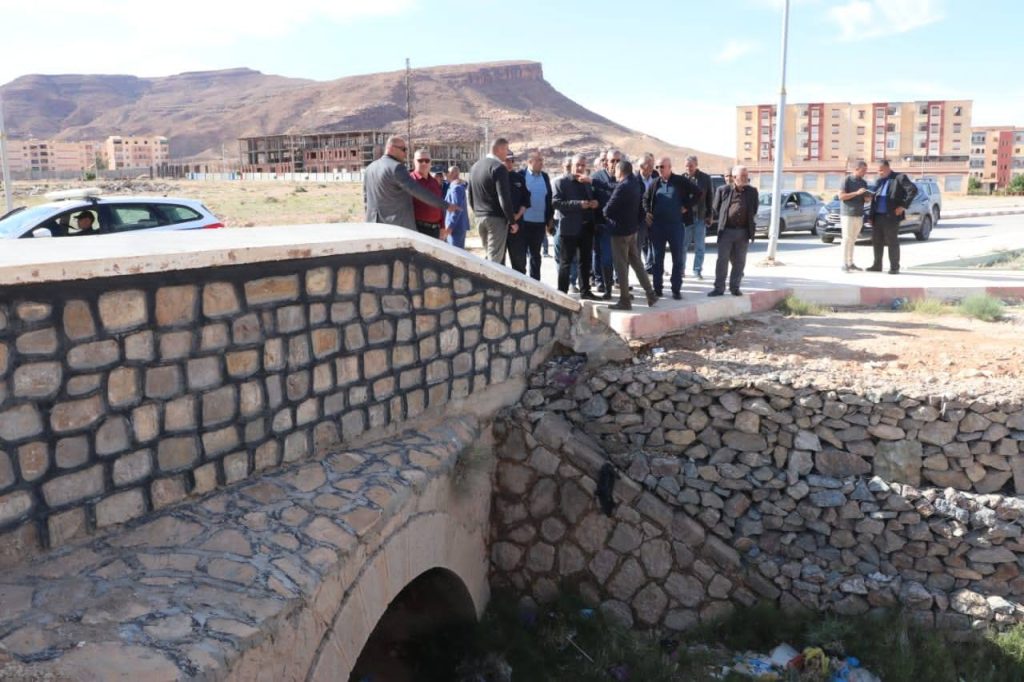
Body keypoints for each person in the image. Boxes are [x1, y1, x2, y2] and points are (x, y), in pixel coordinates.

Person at [363, 136, 457, 230]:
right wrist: (446, 205)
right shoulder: (396, 168)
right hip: (395, 226)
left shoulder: (370, 168)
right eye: (403, 149)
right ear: (391, 148)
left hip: (374, 225)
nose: (405, 153)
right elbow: (418, 191)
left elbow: (366, 199)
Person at [642, 157, 700, 300]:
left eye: (662, 166)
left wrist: (687, 206)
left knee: (677, 259)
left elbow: (698, 193)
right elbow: (645, 199)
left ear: (669, 167)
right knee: (657, 260)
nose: (659, 169)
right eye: (658, 167)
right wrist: (647, 212)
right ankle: (657, 289)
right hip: (658, 227)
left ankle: (676, 289)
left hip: (675, 227)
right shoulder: (655, 183)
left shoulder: (680, 181)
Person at [604, 160, 657, 310]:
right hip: (632, 231)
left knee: (621, 266)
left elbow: (607, 210)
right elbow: (640, 209)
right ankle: (650, 293)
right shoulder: (634, 183)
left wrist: (610, 219)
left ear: (620, 171)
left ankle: (625, 300)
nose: (614, 172)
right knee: (637, 263)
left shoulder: (622, 187)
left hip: (620, 233)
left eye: (615, 170)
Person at [553, 153, 599, 298]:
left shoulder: (587, 183)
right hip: (569, 229)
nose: (580, 168)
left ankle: (585, 291)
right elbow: (556, 203)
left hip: (586, 228)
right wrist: (578, 204)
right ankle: (562, 293)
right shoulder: (561, 182)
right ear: (571, 166)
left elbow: (592, 200)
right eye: (577, 165)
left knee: (585, 262)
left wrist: (594, 203)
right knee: (565, 262)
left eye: (582, 165)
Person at [709, 166, 758, 297]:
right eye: (743, 176)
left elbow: (754, 209)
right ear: (735, 177)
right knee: (722, 261)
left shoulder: (752, 192)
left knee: (740, 262)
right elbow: (715, 208)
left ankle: (735, 287)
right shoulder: (723, 190)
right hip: (726, 231)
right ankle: (719, 288)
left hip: (743, 232)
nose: (745, 178)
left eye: (746, 176)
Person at [468, 138, 519, 263]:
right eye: (506, 149)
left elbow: (470, 195)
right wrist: (512, 221)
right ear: (499, 149)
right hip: (496, 219)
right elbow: (504, 197)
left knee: (488, 255)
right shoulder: (499, 168)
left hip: (480, 217)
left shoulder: (475, 167)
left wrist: (477, 213)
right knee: (495, 260)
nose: (507, 153)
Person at [867, 159, 918, 274]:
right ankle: (877, 265)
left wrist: (903, 206)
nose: (879, 173)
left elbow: (913, 190)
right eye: (878, 171)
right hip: (877, 216)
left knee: (892, 241)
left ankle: (894, 267)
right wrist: (870, 216)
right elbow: (874, 199)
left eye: (881, 170)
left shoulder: (899, 178)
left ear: (887, 168)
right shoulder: (879, 181)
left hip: (891, 216)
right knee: (877, 241)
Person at [517, 151, 554, 281]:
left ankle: (535, 282)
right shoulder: (521, 175)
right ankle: (521, 282)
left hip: (539, 223)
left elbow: (549, 198)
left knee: (536, 256)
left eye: (542, 160)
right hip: (523, 222)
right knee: (521, 256)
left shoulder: (545, 176)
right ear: (530, 162)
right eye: (538, 160)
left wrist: (549, 219)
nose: (541, 163)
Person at [590, 149, 622, 299]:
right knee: (603, 256)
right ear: (606, 162)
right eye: (612, 161)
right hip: (602, 225)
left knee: (620, 258)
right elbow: (591, 198)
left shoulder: (624, 177)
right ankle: (602, 283)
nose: (615, 163)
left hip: (620, 226)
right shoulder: (596, 177)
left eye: (618, 161)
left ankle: (618, 282)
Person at [682, 155, 713, 280]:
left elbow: (710, 197)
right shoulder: (681, 178)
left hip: (700, 217)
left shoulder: (705, 178)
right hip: (685, 218)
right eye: (686, 166)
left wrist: (710, 215)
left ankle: (697, 270)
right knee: (682, 246)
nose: (688, 168)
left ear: (696, 165)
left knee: (700, 246)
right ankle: (681, 270)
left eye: (691, 166)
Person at [551, 157, 580, 292]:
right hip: (558, 222)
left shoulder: (578, 183)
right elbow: (552, 202)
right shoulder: (556, 182)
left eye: (571, 166)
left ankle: (572, 282)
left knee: (573, 256)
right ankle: (563, 281)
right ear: (562, 166)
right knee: (560, 256)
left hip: (572, 222)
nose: (569, 169)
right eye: (567, 166)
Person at [837, 160, 870, 272]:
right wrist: (856, 193)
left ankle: (850, 263)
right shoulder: (846, 180)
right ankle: (844, 263)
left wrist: (867, 198)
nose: (865, 172)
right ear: (856, 169)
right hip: (848, 214)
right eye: (863, 170)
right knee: (846, 239)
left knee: (853, 239)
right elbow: (841, 196)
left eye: (866, 170)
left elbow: (864, 199)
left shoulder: (864, 183)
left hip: (859, 214)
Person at [503, 152, 531, 272]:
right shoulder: (496, 178)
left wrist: (517, 215)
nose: (509, 163)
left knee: (519, 262)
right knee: (498, 262)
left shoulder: (519, 178)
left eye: (511, 161)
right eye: (506, 160)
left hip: (518, 224)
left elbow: (526, 200)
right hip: (500, 224)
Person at [410, 149, 447, 239]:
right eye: (420, 160)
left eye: (427, 161)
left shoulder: (434, 182)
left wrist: (442, 227)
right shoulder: (409, 181)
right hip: (418, 230)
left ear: (431, 163)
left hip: (435, 230)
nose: (424, 163)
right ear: (414, 162)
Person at [635, 153, 658, 273]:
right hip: (639, 219)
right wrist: (645, 215)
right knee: (638, 246)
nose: (652, 168)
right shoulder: (634, 180)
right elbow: (635, 200)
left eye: (653, 165)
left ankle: (650, 266)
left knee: (654, 244)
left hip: (654, 217)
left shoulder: (655, 178)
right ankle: (639, 270)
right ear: (642, 167)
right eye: (650, 166)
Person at [444, 166, 470, 249]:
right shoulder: (454, 186)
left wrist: (450, 226)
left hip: (456, 227)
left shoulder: (456, 188)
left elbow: (457, 208)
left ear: (453, 173)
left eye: (447, 173)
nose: (445, 175)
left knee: (455, 252)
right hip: (456, 226)